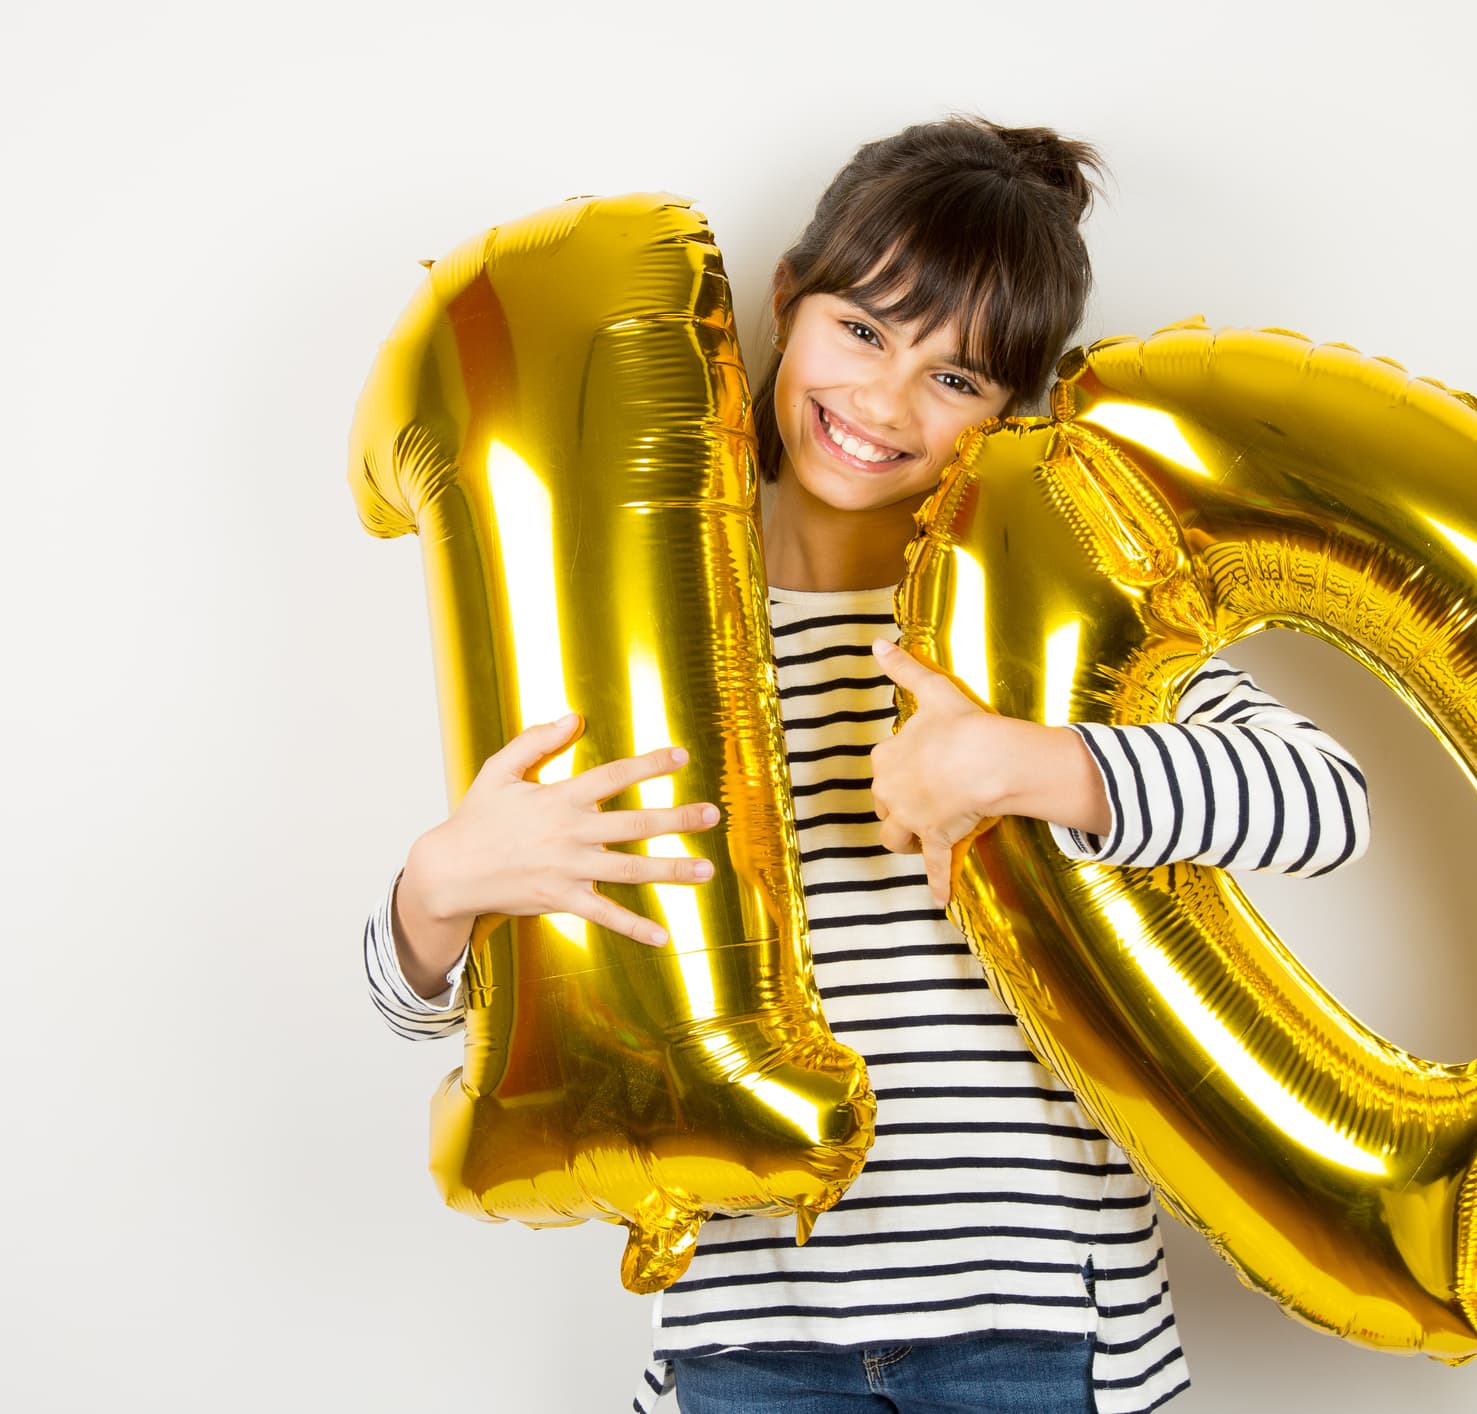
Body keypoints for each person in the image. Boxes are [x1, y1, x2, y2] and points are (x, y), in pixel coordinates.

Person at [363, 115, 1372, 1414]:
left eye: (957, 379)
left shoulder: (1022, 625)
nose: (887, 402)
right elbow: (437, 1004)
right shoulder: (634, 634)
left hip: (1037, 1320)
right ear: (787, 301)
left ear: (1020, 406)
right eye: (863, 331)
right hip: (746, 1329)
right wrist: (439, 886)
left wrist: (1024, 763)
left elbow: (1319, 800)